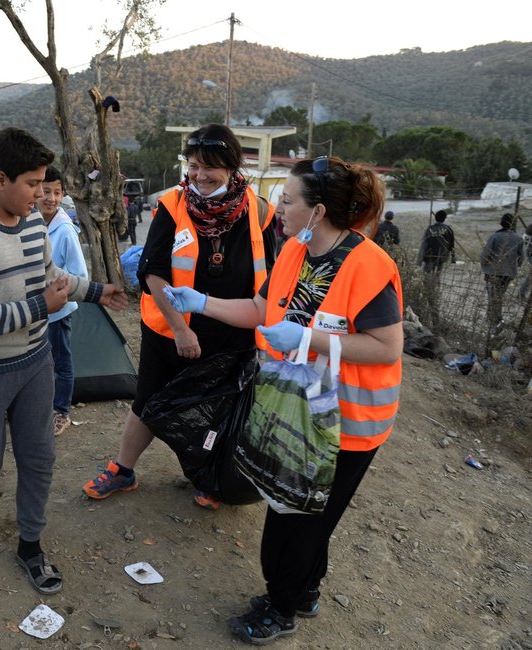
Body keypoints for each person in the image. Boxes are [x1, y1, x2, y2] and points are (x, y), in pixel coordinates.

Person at [167, 155, 403, 645]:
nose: (278, 206)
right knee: (301, 508)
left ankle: (281, 607)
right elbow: (261, 309)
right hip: (294, 407)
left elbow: (386, 347)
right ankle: (306, 590)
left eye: (288, 199)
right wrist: (202, 303)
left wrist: (306, 339)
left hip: (348, 423)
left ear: (317, 212)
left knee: (299, 518)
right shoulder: (295, 252)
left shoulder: (368, 265)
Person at [0, 127, 127, 595]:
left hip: (34, 363)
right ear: (0, 179)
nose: (42, 195)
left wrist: (97, 292)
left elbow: (52, 276)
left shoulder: (32, 225)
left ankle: (30, 544)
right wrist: (40, 307)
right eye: (32, 185)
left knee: (39, 457)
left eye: (45, 185)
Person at [82, 124, 277, 510]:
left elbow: (270, 278)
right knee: (149, 400)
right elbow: (153, 273)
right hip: (171, 331)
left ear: (233, 167)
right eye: (193, 166)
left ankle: (211, 477)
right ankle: (123, 469)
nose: (200, 176)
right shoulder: (174, 204)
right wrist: (181, 329)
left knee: (220, 405)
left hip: (232, 329)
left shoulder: (260, 211)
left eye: (210, 168)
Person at [37, 166, 88, 436]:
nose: (51, 198)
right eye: (46, 191)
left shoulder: (66, 231)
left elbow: (80, 275)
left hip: (57, 311)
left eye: (57, 193)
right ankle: (42, 407)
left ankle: (62, 411)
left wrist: (55, 292)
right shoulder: (31, 223)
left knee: (61, 360)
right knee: (39, 362)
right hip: (35, 311)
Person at [480, 212, 524, 332]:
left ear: (501, 223)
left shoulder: (495, 237)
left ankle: (495, 319)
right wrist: (516, 265)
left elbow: (485, 254)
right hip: (509, 273)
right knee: (499, 295)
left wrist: (484, 265)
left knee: (492, 295)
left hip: (492, 272)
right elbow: (522, 257)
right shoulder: (518, 238)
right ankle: (495, 318)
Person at [418, 209, 455, 274]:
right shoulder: (448, 229)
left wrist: (419, 260)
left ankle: (429, 283)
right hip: (441, 256)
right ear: (444, 218)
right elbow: (452, 245)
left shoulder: (430, 229)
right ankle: (436, 282)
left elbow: (424, 244)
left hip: (429, 255)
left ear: (435, 218)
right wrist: (453, 257)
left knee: (427, 273)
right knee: (438, 273)